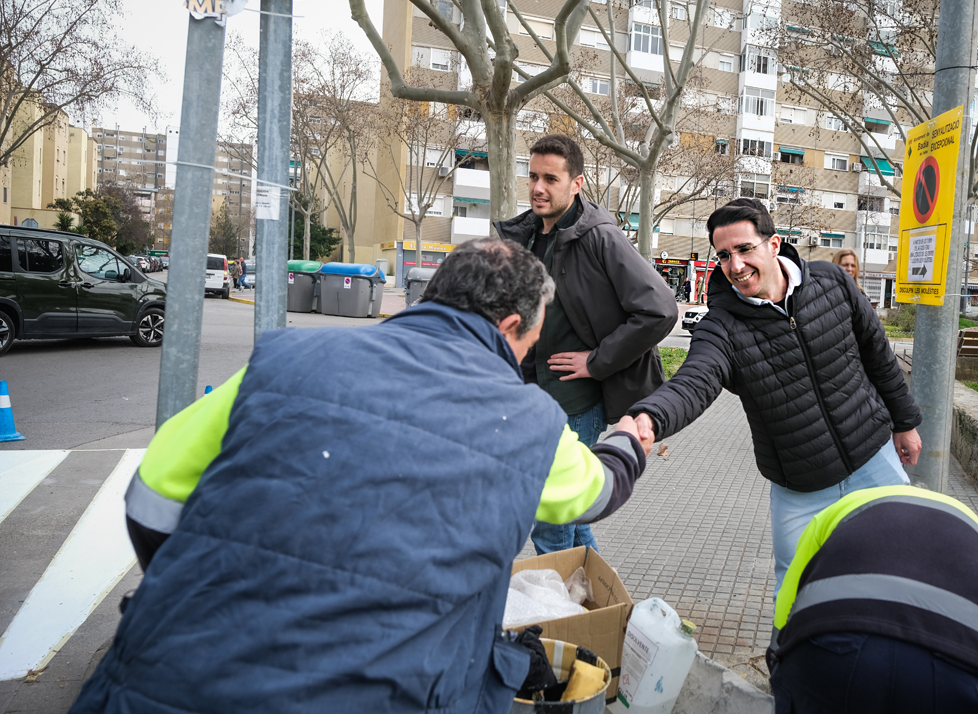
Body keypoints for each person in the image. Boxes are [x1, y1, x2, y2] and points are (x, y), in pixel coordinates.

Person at [80, 238, 653, 714]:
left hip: (165, 681)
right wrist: (627, 441)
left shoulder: (283, 362)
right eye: (531, 339)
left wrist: (208, 585)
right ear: (510, 326)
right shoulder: (527, 420)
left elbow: (151, 496)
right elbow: (597, 492)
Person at [628, 198, 923, 593]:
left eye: (745, 249)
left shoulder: (832, 283)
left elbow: (877, 354)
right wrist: (649, 418)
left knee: (905, 565)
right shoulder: (722, 326)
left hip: (874, 457)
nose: (735, 265)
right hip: (800, 484)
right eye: (725, 255)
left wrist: (905, 423)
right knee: (797, 589)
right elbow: (694, 381)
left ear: (774, 244)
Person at [495, 134, 677, 556]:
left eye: (551, 179)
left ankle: (561, 616)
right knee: (573, 519)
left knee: (551, 515)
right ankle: (596, 611)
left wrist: (597, 362)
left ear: (576, 184)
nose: (538, 187)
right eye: (533, 175)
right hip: (528, 397)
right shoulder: (523, 235)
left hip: (574, 400)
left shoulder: (600, 237)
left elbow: (661, 309)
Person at [769, 486, 978, 713]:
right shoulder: (977, 529)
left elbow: (786, 609)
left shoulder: (838, 511)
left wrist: (778, 662)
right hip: (970, 672)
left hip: (835, 645)